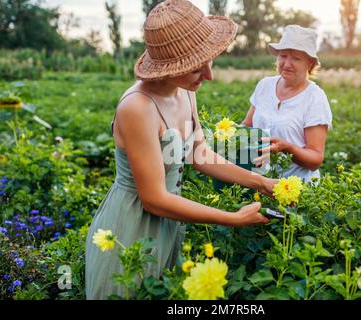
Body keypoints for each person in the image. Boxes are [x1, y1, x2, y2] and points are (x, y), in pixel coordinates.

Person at [85, 0, 276, 300]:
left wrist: (261, 182)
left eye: (208, 62)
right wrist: (233, 218)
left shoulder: (185, 91)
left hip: (170, 221)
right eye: (197, 68)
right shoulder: (137, 108)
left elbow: (199, 155)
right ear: (168, 68)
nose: (209, 75)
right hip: (132, 226)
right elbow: (154, 199)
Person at [241, 25, 333, 182]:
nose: (287, 64)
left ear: (310, 64)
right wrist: (224, 134)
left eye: (296, 58)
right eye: (283, 56)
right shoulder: (265, 85)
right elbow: (247, 126)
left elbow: (315, 159)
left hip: (295, 191)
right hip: (258, 184)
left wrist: (287, 148)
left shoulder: (315, 98)